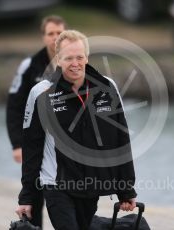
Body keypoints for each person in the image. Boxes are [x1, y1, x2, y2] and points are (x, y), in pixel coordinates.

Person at [15, 30, 137, 230]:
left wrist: (126, 190)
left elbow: (120, 140)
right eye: (68, 58)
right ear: (58, 60)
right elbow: (32, 148)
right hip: (56, 185)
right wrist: (27, 196)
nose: (75, 63)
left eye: (79, 57)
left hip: (91, 187)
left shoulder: (108, 87)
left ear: (87, 58)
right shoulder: (40, 93)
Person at [6, 15, 67, 228]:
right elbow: (13, 106)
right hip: (34, 141)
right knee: (34, 195)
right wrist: (16, 144)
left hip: (63, 146)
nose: (55, 38)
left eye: (59, 33)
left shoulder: (74, 65)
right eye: (51, 33)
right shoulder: (29, 66)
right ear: (43, 37)